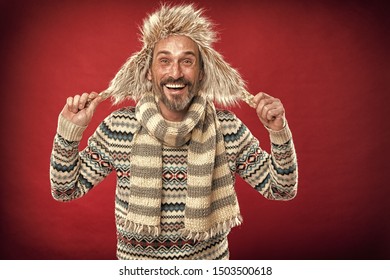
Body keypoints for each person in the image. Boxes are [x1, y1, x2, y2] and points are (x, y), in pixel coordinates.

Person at [50, 3, 298, 260]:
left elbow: (281, 189)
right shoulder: (118, 127)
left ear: (202, 72)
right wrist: (70, 131)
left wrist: (278, 131)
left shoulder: (227, 129)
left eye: (187, 61)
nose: (176, 73)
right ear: (149, 72)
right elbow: (65, 190)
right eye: (165, 61)